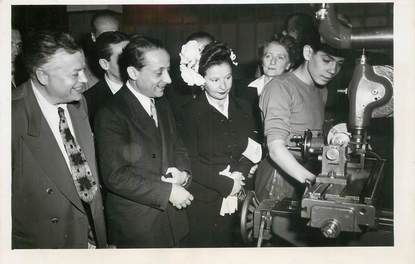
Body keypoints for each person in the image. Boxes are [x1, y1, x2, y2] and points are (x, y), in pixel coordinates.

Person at [94, 36, 194, 248]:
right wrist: (167, 192)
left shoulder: (163, 103)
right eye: (159, 72)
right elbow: (115, 176)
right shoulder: (111, 113)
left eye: (168, 70)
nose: (168, 79)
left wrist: (183, 174)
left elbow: (178, 147)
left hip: (174, 224)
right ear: (133, 73)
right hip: (139, 229)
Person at [12, 30, 107, 249]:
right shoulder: (11, 116)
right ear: (43, 76)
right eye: (75, 74)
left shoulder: (78, 102)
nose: (84, 80)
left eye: (83, 70)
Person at [254, 30, 346, 245]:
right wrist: (316, 183)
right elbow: (276, 150)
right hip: (279, 181)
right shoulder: (279, 88)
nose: (333, 70)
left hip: (305, 176)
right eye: (326, 60)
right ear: (307, 52)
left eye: (339, 64)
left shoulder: (320, 90)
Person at [178, 41, 261, 247]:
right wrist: (226, 184)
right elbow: (189, 161)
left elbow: (252, 146)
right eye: (215, 80)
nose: (223, 86)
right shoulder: (189, 113)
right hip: (204, 202)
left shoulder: (243, 106)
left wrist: (240, 174)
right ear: (200, 79)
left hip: (241, 196)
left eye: (228, 77)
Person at [165, 31, 215, 123]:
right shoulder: (172, 89)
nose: (201, 56)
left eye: (207, 51)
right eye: (196, 51)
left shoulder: (225, 84)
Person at [84, 31, 129, 126]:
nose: (131, 63)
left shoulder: (149, 89)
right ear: (104, 64)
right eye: (122, 59)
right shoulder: (88, 103)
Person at [83, 10, 121, 90]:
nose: (111, 41)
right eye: (104, 36)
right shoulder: (83, 70)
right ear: (93, 37)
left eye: (114, 34)